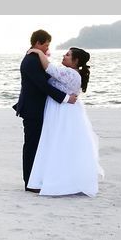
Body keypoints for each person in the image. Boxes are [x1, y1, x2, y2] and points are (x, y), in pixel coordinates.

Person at [26, 46, 103, 196]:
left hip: (62, 112)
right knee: (57, 143)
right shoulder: (71, 72)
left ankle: (60, 180)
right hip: (59, 109)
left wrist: (39, 52)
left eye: (68, 55)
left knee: (59, 143)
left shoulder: (71, 74)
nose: (64, 56)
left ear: (75, 61)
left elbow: (49, 68)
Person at [13, 30, 76, 191]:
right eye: (46, 44)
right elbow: (43, 85)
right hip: (32, 109)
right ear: (38, 43)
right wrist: (65, 98)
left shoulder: (35, 58)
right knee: (32, 145)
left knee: (37, 145)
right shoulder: (31, 61)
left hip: (36, 108)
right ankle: (29, 183)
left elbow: (50, 78)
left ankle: (35, 179)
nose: (48, 48)